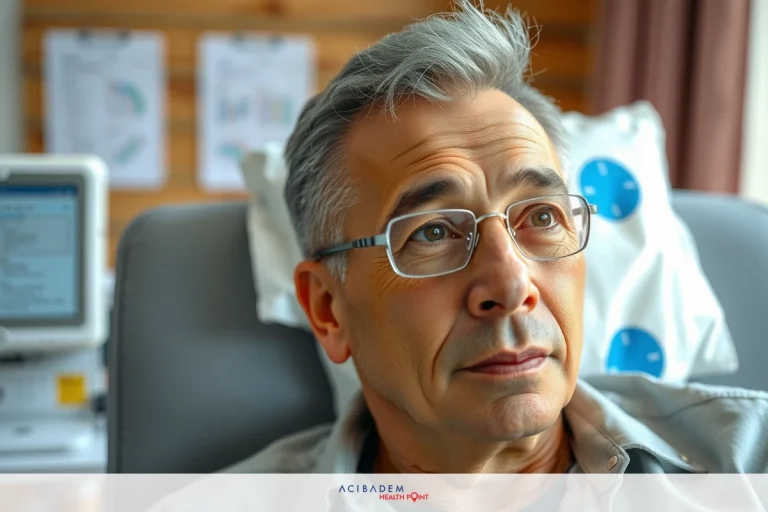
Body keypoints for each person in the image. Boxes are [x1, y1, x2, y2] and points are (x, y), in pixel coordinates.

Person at [228, 0, 768, 475]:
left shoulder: (745, 462)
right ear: (328, 309)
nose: (511, 286)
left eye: (540, 217)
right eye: (433, 231)